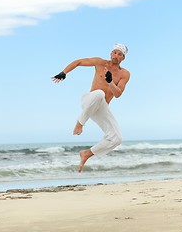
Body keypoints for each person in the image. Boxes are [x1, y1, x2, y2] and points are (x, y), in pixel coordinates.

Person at [52, 43, 130, 172]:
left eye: (120, 54)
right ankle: (80, 122)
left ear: (123, 58)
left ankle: (87, 153)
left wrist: (110, 82)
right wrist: (63, 72)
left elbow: (118, 94)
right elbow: (78, 62)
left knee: (117, 138)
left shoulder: (124, 74)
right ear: (111, 53)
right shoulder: (100, 63)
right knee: (99, 93)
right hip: (89, 101)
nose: (116, 56)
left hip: (101, 107)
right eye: (114, 52)